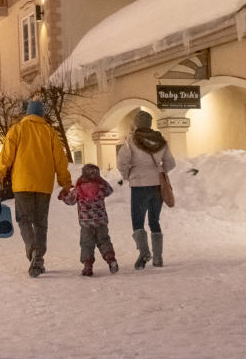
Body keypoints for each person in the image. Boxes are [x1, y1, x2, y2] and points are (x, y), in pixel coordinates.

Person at [0, 100, 72, 278]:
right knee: (40, 222)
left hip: (22, 183)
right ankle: (39, 257)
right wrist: (65, 182)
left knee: (24, 220)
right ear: (42, 114)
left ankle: (33, 252)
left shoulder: (17, 129)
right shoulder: (50, 132)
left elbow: (6, 156)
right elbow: (60, 160)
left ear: (27, 113)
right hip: (44, 185)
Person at [116, 110, 175, 269]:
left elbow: (121, 162)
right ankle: (158, 258)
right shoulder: (161, 140)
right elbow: (170, 162)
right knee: (154, 220)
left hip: (139, 185)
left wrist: (128, 175)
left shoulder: (131, 141)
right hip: (157, 185)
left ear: (136, 124)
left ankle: (144, 252)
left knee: (138, 221)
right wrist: (159, 172)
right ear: (149, 124)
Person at [59, 164, 118, 276]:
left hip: (86, 224)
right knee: (104, 240)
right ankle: (111, 260)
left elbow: (70, 201)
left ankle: (88, 266)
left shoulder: (78, 189)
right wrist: (101, 180)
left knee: (87, 244)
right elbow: (110, 190)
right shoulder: (101, 187)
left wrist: (63, 196)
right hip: (101, 222)